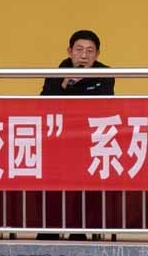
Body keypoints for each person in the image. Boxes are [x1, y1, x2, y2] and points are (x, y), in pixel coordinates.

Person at [36, 30, 116, 241]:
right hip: (59, 139)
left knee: (85, 186)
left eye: (90, 51)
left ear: (97, 54)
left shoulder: (105, 74)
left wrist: (82, 84)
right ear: (70, 51)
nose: (84, 55)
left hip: (90, 138)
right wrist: (64, 86)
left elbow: (105, 102)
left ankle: (79, 229)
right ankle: (50, 229)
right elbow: (44, 103)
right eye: (79, 50)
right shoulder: (57, 74)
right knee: (53, 186)